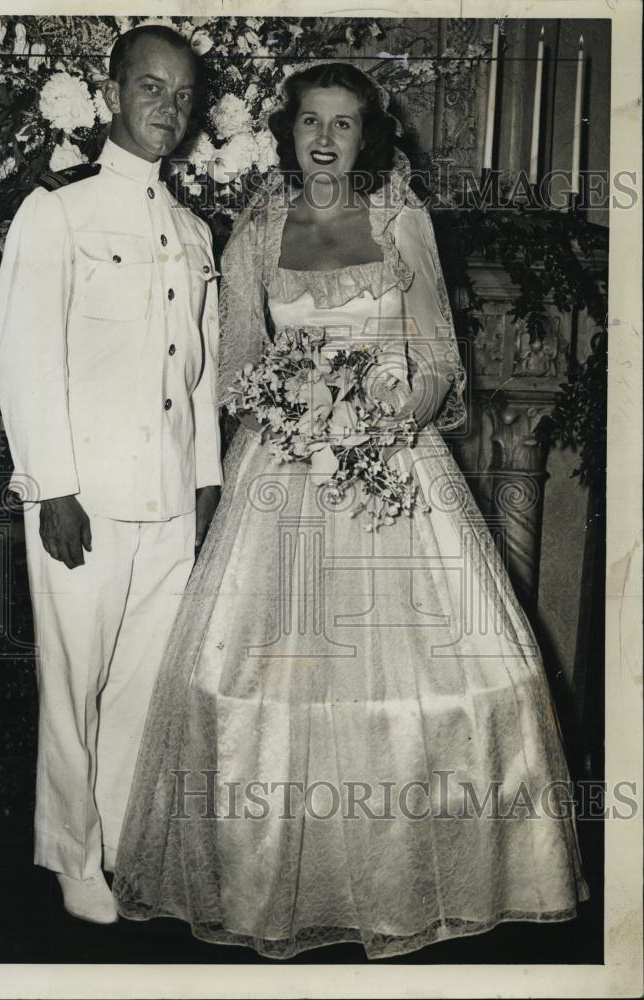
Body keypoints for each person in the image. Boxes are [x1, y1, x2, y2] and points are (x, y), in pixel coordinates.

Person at [113, 62, 589, 958]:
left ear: (366, 136)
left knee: (430, 677)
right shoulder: (258, 228)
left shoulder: (398, 218)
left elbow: (439, 359)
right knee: (265, 679)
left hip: (395, 466)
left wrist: (388, 421)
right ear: (288, 133)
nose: (325, 139)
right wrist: (292, 414)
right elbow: (238, 367)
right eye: (310, 123)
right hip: (283, 476)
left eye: (342, 124)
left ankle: (410, 877)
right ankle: (282, 883)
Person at [0, 25, 222, 924]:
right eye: (151, 87)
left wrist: (205, 481)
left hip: (168, 495)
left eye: (182, 94)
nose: (168, 107)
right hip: (82, 496)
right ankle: (70, 854)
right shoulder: (60, 210)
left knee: (142, 685)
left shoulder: (193, 229)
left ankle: (123, 843)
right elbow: (25, 356)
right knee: (74, 682)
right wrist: (51, 486)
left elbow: (198, 374)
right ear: (114, 92)